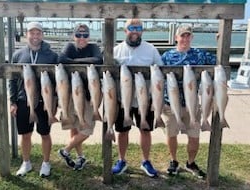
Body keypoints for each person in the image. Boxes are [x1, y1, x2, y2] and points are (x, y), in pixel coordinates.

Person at [161, 24, 216, 179]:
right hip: (170, 104)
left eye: (188, 35)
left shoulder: (200, 55)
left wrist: (219, 42)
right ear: (176, 38)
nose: (185, 38)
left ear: (192, 37)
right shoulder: (166, 56)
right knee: (171, 135)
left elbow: (219, 62)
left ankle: (191, 162)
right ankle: (173, 161)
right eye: (182, 35)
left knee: (194, 136)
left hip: (192, 104)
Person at [112, 18, 164, 177]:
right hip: (123, 100)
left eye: (138, 28)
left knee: (145, 130)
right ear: (125, 30)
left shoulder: (151, 49)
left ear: (142, 31)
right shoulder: (116, 50)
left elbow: (160, 71)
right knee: (122, 131)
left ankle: (146, 161)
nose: (135, 31)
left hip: (145, 99)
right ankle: (121, 160)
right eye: (131, 28)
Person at [9, 22, 58, 177]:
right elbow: (12, 80)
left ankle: (46, 163)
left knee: (44, 133)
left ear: (42, 35)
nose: (35, 36)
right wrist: (13, 102)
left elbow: (57, 82)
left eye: (38, 33)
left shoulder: (52, 55)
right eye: (32, 33)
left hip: (44, 101)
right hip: (24, 101)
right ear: (26, 34)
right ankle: (26, 162)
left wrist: (54, 103)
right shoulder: (17, 55)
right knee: (25, 134)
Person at [57, 23, 103, 171]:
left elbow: (98, 60)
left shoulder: (94, 47)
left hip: (89, 97)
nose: (81, 38)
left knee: (87, 128)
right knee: (74, 126)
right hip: (71, 95)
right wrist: (84, 63)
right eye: (78, 35)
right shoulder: (69, 47)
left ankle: (65, 150)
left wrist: (74, 63)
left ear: (89, 36)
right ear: (73, 36)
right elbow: (62, 59)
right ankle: (80, 157)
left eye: (85, 35)